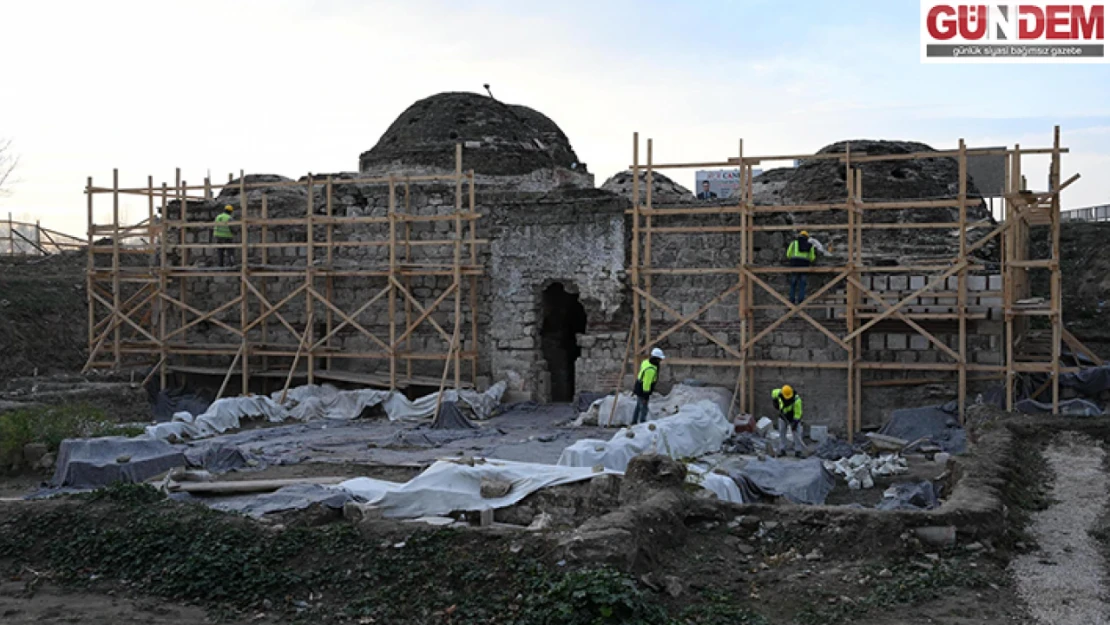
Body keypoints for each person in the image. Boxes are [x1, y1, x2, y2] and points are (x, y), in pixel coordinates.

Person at [786, 230, 830, 304]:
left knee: (793, 283)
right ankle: (801, 300)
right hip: (804, 266)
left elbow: (788, 254)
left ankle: (791, 300)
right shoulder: (810, 245)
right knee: (802, 284)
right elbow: (812, 258)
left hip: (795, 265)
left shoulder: (793, 243)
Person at [631, 348, 665, 425]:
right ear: (656, 359)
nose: (661, 361)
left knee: (638, 406)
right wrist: (646, 396)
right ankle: (642, 424)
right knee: (644, 407)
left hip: (638, 385)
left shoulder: (646, 362)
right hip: (643, 389)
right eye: (660, 359)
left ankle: (634, 422)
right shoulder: (650, 370)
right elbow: (646, 383)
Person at [771, 384, 806, 457]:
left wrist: (795, 423)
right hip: (783, 416)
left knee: (797, 433)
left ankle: (798, 451)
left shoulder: (796, 400)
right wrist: (775, 402)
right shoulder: (778, 393)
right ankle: (782, 449)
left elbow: (798, 413)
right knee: (782, 432)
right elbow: (773, 393)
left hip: (792, 416)